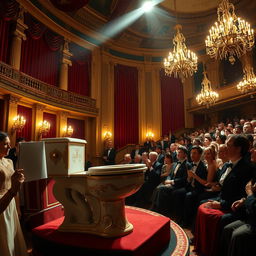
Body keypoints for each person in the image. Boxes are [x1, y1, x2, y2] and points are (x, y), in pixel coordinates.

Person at [0, 131, 28, 256]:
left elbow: (13, 187)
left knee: (12, 237)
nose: (9, 147)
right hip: (1, 203)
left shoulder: (9, 162)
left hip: (11, 201)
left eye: (9, 144)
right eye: (6, 144)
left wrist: (17, 208)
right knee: (4, 238)